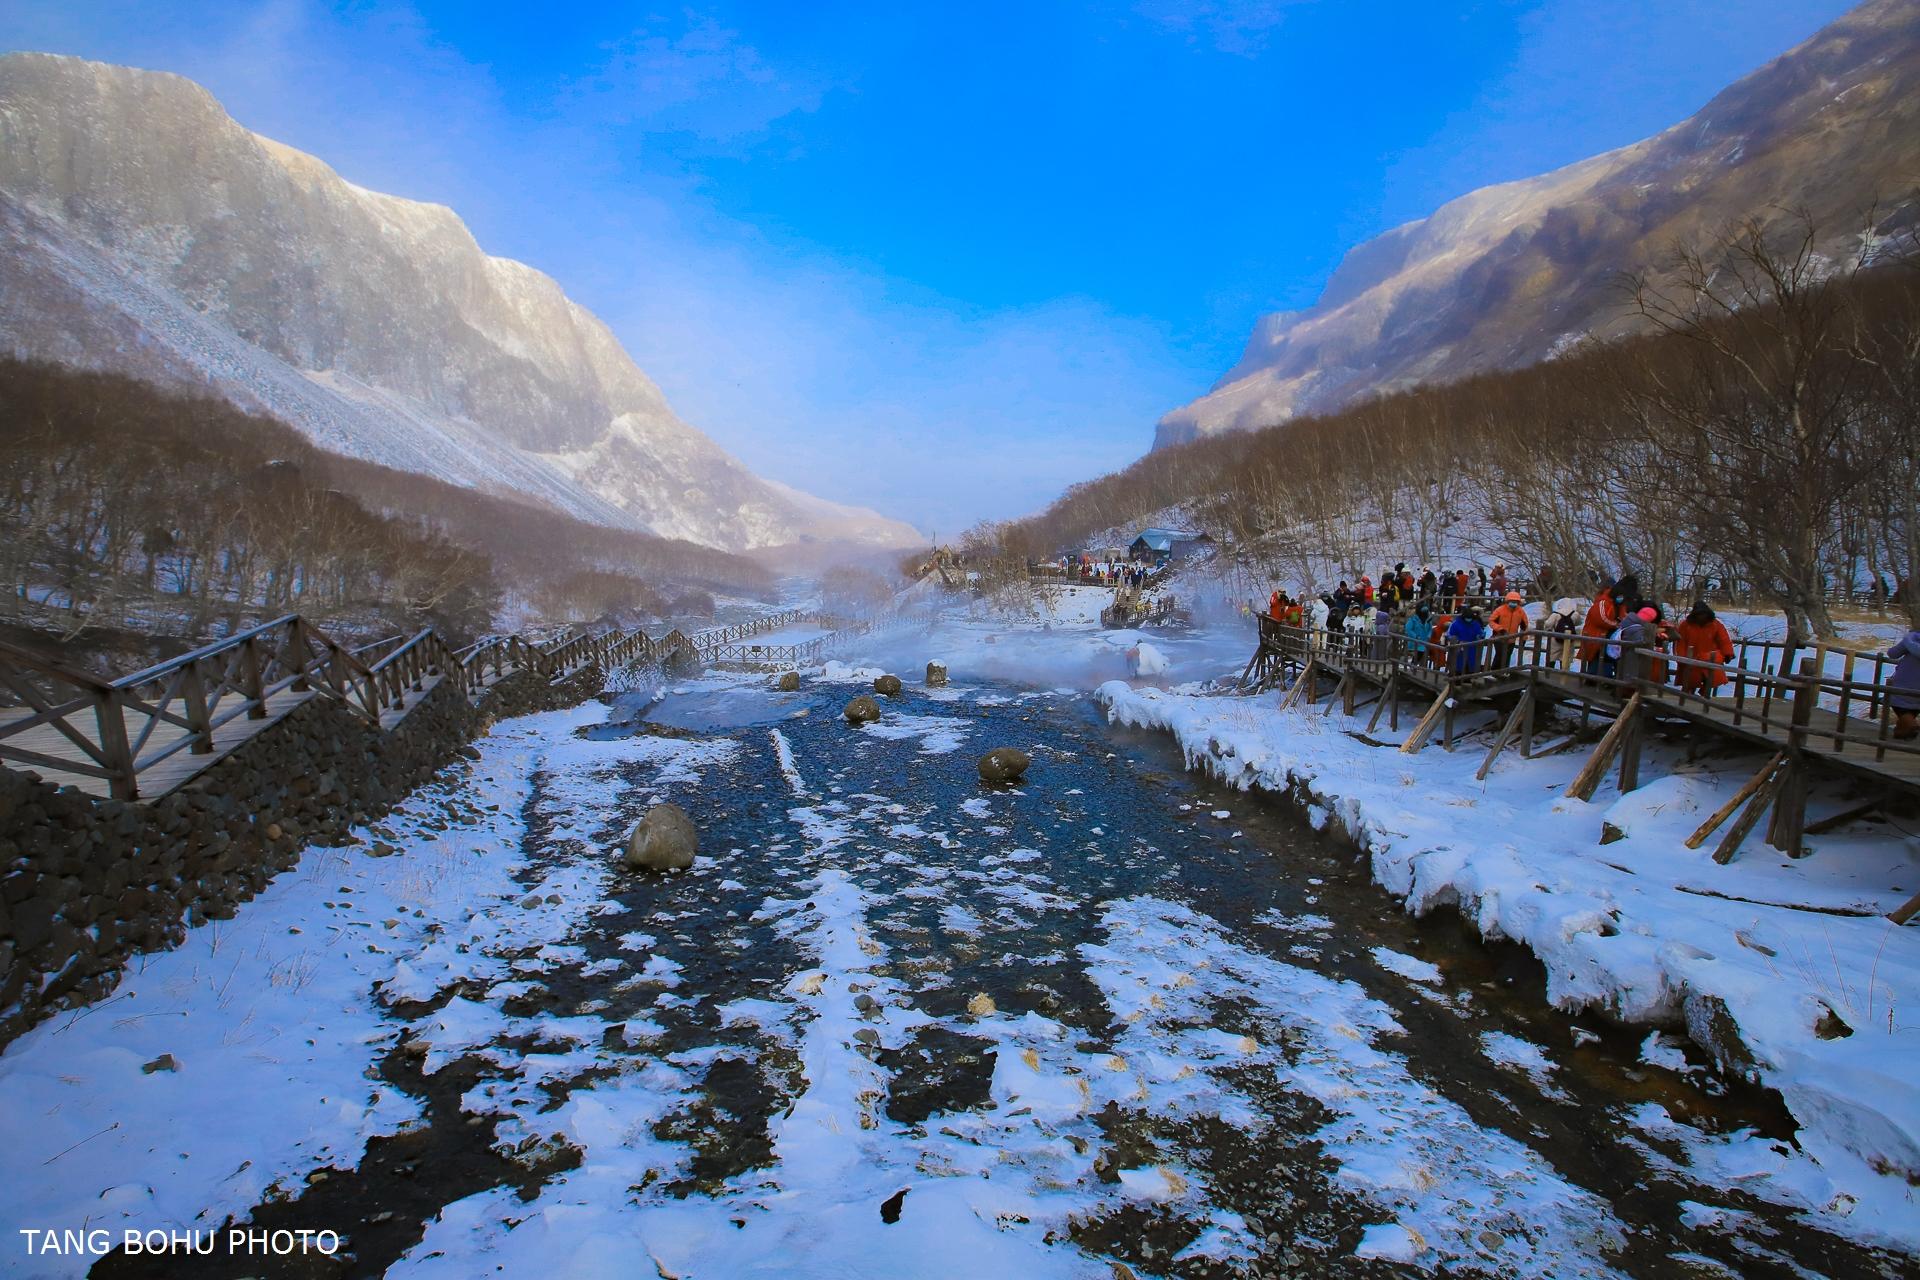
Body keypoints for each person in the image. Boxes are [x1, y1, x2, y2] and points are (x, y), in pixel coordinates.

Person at [1674, 601, 1734, 696]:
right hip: (1691, 658)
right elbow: (1681, 642)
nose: (1701, 616)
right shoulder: (1685, 625)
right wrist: (1682, 657)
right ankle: (1687, 696)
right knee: (1690, 680)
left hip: (1710, 658)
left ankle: (1705, 695)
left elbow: (1724, 640)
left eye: (1703, 614)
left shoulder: (1716, 625)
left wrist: (1728, 653)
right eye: (1699, 614)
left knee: (1709, 679)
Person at [1579, 577, 1629, 669]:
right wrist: (1615, 624)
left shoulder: (1617, 603)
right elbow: (1601, 618)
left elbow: (1623, 616)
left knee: (1603, 658)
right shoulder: (1602, 602)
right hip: (1596, 635)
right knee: (1595, 658)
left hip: (1607, 637)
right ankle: (1591, 678)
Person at [1885, 628, 1920, 740]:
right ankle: (1902, 731)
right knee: (1912, 708)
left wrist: (1906, 641)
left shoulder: (1913, 639)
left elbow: (1892, 653)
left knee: (1901, 707)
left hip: (1904, 682)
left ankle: (1912, 725)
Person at [1488, 591, 1529, 669]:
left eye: (1515, 602)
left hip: (1512, 638)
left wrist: (1524, 638)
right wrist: (1500, 629)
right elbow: (1491, 621)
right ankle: (1494, 671)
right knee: (1500, 655)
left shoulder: (1520, 612)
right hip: (1499, 637)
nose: (1513, 603)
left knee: (1507, 656)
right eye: (1512, 601)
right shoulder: (1500, 610)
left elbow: (1525, 626)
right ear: (1507, 601)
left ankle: (1504, 671)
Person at [1447, 607, 1487, 676]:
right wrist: (1458, 641)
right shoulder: (1456, 624)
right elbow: (1450, 635)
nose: (1469, 619)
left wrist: (1480, 636)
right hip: (1460, 648)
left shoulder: (1475, 623)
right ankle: (1457, 680)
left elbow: (1481, 633)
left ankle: (1468, 679)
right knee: (1459, 665)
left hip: (1472, 647)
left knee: (1470, 664)